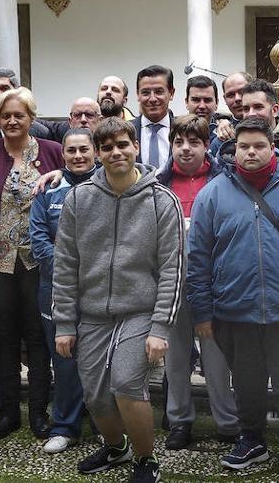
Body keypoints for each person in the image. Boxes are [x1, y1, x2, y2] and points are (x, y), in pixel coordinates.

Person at [187, 116, 279, 483]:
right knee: (246, 381)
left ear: (273, 148)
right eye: (244, 147)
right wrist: (202, 312)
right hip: (234, 309)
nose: (250, 153)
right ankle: (251, 439)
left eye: (259, 146)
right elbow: (198, 258)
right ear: (233, 150)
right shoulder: (212, 194)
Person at [52, 117, 183, 483]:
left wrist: (160, 328)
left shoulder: (162, 200)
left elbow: (173, 268)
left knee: (126, 383)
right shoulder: (79, 199)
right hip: (94, 313)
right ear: (98, 153)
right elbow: (65, 264)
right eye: (107, 147)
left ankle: (146, 460)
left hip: (141, 311)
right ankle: (116, 447)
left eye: (123, 145)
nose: (116, 153)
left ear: (135, 147)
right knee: (95, 395)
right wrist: (64, 323)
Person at [0, 87, 64, 440]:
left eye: (19, 115)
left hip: (38, 262)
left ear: (31, 118)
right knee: (4, 337)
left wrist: (61, 175)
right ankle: (9, 412)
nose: (12, 121)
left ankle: (39, 412)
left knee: (38, 337)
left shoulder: (53, 152)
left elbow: (74, 182)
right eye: (5, 115)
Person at [155, 114, 239, 449]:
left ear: (207, 145)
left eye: (194, 142)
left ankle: (227, 422)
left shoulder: (224, 179)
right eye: (179, 142)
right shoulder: (157, 182)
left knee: (217, 357)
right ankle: (179, 421)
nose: (186, 149)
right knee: (175, 357)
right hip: (172, 284)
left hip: (214, 284)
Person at [29, 128, 97, 454]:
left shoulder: (111, 185)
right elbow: (39, 240)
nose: (78, 156)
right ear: (63, 154)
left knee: (100, 361)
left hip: (99, 288)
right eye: (72, 150)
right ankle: (65, 426)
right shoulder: (48, 189)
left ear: (95, 152)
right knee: (65, 359)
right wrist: (70, 271)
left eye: (84, 149)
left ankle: (104, 424)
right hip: (56, 288)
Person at [225, 79, 279, 168]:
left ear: (274, 110)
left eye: (258, 107)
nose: (251, 114)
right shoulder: (230, 145)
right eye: (246, 109)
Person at [133, 65, 176, 170]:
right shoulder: (126, 131)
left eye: (159, 92)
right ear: (138, 94)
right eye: (145, 93)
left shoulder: (183, 130)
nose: (152, 99)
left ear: (171, 93)